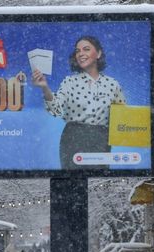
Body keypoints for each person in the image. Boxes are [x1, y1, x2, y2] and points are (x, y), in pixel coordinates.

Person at [32, 36, 126, 169]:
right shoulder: (69, 82)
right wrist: (44, 87)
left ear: (98, 54)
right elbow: (56, 110)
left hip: (101, 141)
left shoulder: (113, 84)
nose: (81, 53)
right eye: (77, 51)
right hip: (73, 139)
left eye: (86, 49)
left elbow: (122, 119)